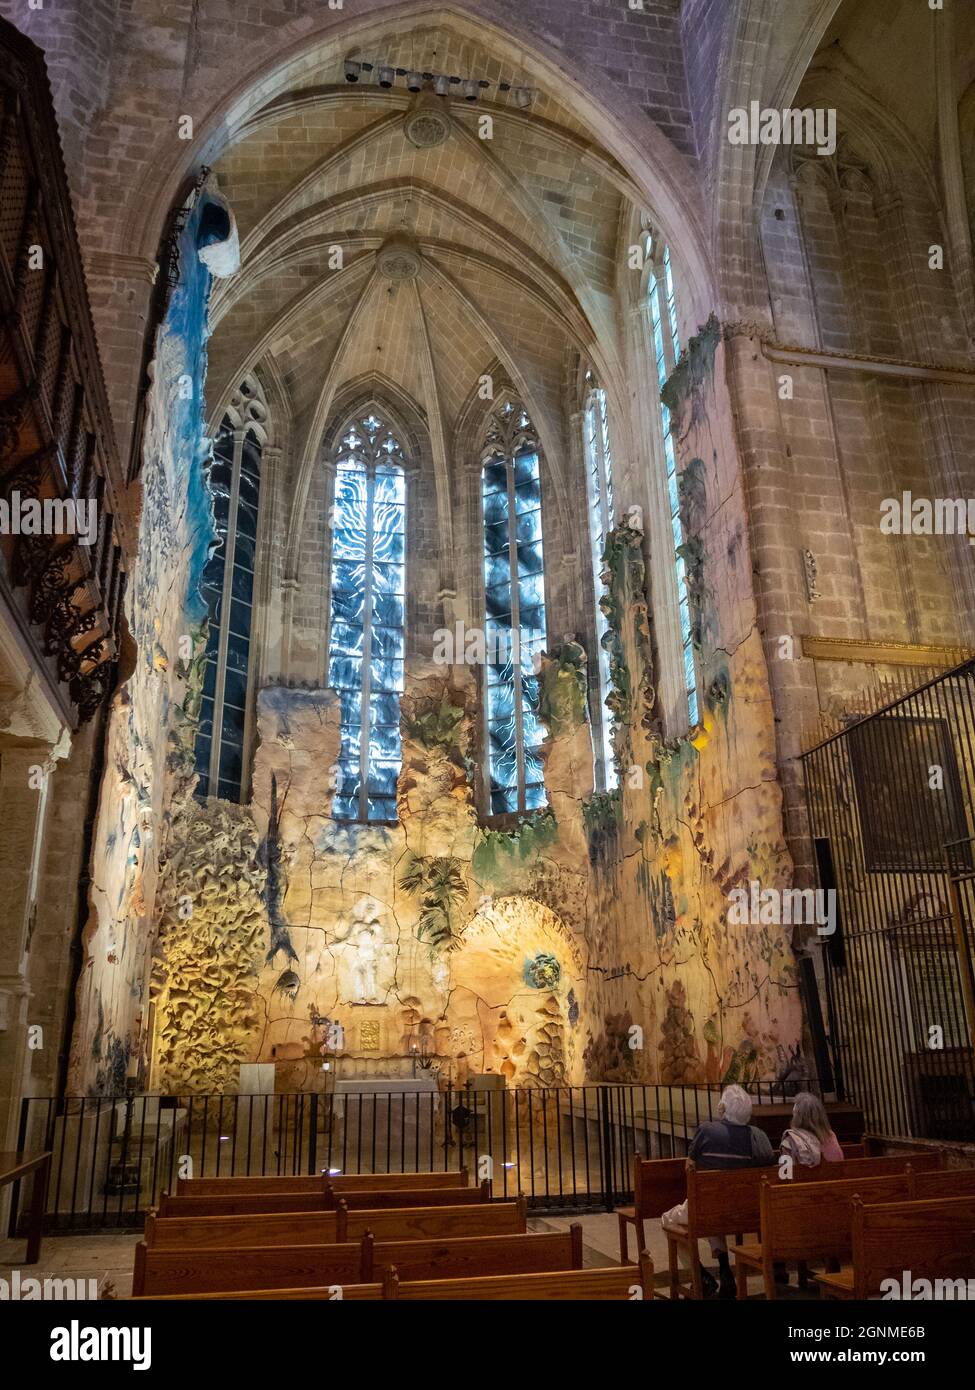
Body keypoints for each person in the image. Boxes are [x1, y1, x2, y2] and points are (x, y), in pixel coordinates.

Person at [661, 1084, 775, 1299]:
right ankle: (723, 1266)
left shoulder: (707, 1131)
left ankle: (701, 1276)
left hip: (709, 1208)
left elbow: (689, 1168)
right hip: (749, 1211)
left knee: (669, 1220)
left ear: (723, 1108)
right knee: (715, 1210)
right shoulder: (759, 1137)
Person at [779, 1091, 844, 1166]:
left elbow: (786, 1173)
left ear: (797, 1117)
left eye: (794, 1114)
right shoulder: (830, 1135)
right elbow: (839, 1163)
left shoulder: (791, 1139)